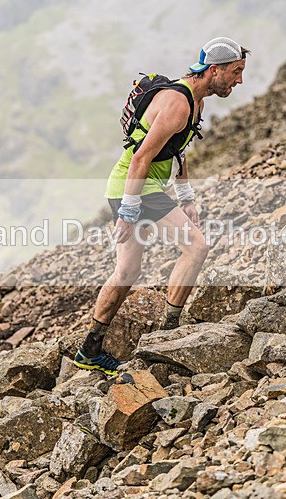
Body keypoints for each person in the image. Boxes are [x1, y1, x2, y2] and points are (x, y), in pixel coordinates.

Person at [74, 37, 249, 375]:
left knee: (127, 272)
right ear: (215, 70)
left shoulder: (196, 103)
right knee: (197, 247)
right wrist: (128, 212)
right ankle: (169, 334)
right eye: (235, 71)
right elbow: (141, 158)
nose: (239, 80)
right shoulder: (178, 103)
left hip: (132, 187)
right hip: (136, 186)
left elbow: (177, 151)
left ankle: (89, 350)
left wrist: (186, 198)